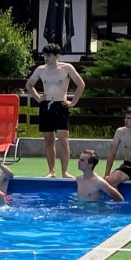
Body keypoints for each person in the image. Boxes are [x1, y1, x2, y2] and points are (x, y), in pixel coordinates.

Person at [25, 42, 85, 178]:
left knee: (63, 140)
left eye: (49, 55)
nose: (46, 58)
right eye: (45, 55)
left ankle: (65, 172)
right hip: (47, 105)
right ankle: (51, 171)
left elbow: (81, 84)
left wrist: (73, 102)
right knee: (48, 140)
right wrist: (38, 98)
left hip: (61, 105)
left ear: (56, 56)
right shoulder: (41, 69)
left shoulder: (66, 68)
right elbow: (29, 85)